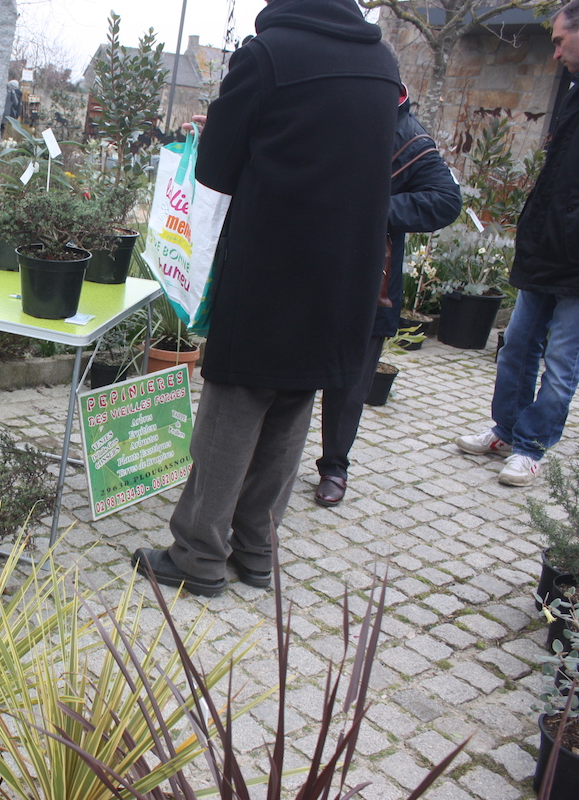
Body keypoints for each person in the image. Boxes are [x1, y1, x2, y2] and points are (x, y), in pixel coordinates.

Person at [131, 0, 401, 596]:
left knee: (234, 404)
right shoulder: (382, 61)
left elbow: (217, 169)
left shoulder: (269, 55)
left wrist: (216, 132)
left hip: (272, 266)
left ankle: (198, 555)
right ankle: (256, 550)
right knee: (293, 403)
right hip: (344, 274)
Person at [314, 85, 462, 507]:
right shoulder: (327, 110)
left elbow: (445, 201)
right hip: (309, 266)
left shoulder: (410, 137)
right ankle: (265, 461)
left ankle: (334, 466)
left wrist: (373, 210)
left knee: (351, 381)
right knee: (291, 371)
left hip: (369, 281)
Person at [454, 1, 579, 487]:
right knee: (517, 346)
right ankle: (506, 431)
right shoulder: (573, 92)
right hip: (545, 252)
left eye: (559, 41)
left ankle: (531, 447)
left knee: (561, 363)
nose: (555, 53)